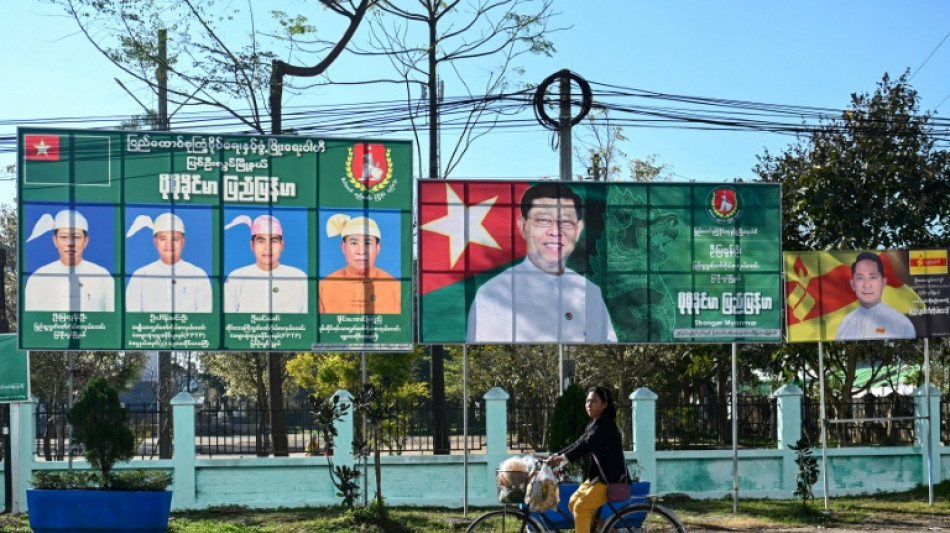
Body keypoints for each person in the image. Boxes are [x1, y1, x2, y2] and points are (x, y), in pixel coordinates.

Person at [466, 183, 617, 343]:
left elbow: (607, 343)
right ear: (523, 226)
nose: (555, 232)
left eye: (566, 222)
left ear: (578, 230)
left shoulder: (589, 291)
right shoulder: (493, 294)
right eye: (543, 221)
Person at [549, 386, 626, 533]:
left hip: (609, 479)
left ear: (605, 404)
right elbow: (579, 442)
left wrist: (561, 458)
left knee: (581, 507)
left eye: (594, 401)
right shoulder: (595, 423)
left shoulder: (605, 425)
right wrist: (556, 455)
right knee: (572, 503)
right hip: (597, 478)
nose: (588, 404)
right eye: (587, 401)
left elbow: (586, 445)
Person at [24, 209, 114, 312]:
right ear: (55, 241)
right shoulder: (38, 278)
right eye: (64, 237)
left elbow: (113, 319)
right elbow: (30, 322)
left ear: (85, 242)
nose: (70, 243)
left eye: (76, 237)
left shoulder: (102, 277)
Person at [126, 212, 213, 313]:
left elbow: (204, 318)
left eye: (174, 239)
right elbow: (132, 317)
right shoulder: (140, 276)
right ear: (155, 241)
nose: (169, 244)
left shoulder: (198, 275)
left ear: (183, 241)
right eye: (163, 239)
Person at [223, 214, 308, 313]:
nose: (268, 247)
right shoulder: (235, 278)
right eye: (261, 241)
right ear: (252, 245)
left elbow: (307, 321)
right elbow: (229, 321)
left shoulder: (299, 278)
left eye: (274, 241)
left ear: (282, 245)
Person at [318, 214, 400, 314]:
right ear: (343, 247)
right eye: (354, 243)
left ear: (378, 248)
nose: (361, 251)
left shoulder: (396, 288)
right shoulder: (324, 287)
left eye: (367, 243)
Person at [835, 251, 916, 341]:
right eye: (860, 278)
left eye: (873, 277)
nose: (867, 285)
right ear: (853, 284)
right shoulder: (846, 324)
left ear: (883, 283)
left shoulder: (902, 323)